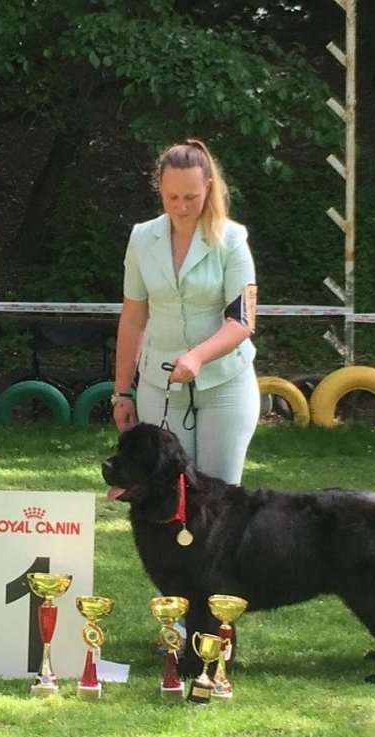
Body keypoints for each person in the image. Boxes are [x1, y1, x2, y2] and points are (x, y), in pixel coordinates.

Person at [112, 139, 259, 485]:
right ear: (159, 189)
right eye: (172, 197)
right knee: (165, 490)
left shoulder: (233, 239)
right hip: (159, 385)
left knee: (217, 496)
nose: (181, 206)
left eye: (191, 197)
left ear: (208, 188)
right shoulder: (141, 238)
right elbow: (132, 318)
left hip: (225, 384)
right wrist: (121, 392)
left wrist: (197, 357)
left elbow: (242, 320)